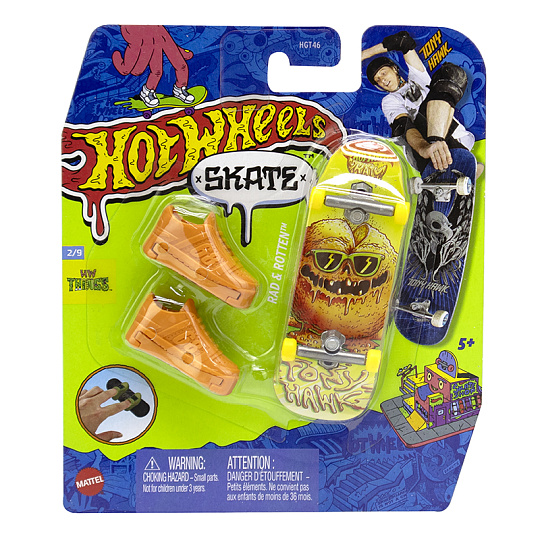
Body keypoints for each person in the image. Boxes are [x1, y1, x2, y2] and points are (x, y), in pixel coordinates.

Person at [362, 31, 474, 173]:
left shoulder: (418, 78)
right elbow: (403, 125)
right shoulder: (389, 100)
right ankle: (436, 148)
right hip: (424, 146)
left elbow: (403, 41)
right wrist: (423, 148)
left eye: (383, 73)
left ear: (394, 69)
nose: (382, 80)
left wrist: (363, 55)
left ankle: (446, 151)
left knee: (451, 73)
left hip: (458, 138)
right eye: (378, 80)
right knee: (406, 125)